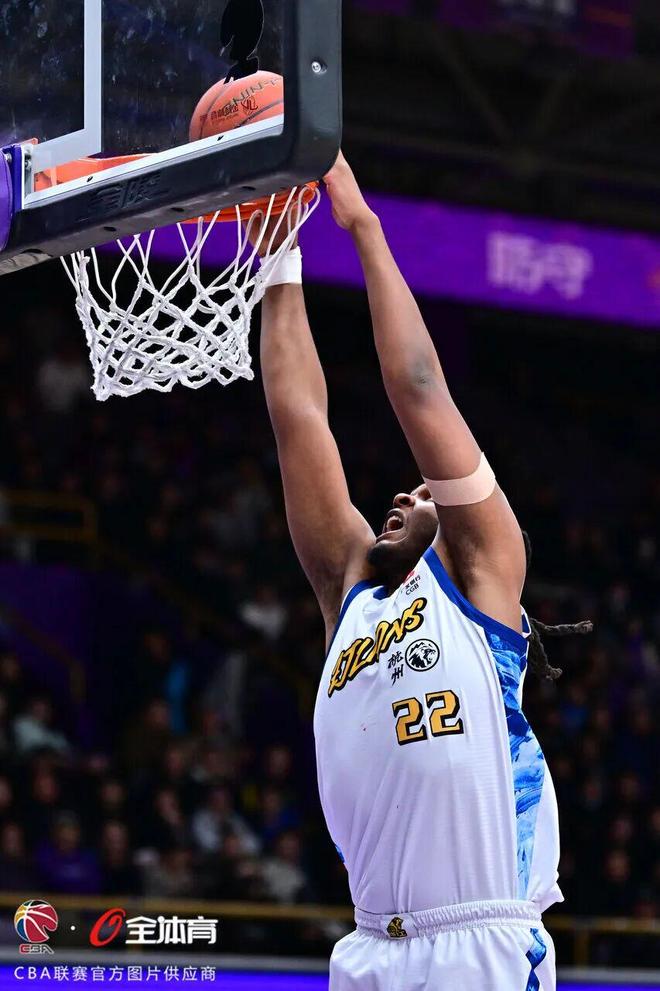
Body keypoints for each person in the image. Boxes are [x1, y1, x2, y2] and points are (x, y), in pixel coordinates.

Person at [257, 153, 591, 990]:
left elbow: (417, 385)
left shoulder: (483, 574)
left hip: (480, 940)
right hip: (369, 947)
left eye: (422, 492)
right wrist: (277, 247)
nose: (403, 495)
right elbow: (298, 417)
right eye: (400, 493)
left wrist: (360, 223)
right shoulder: (350, 591)